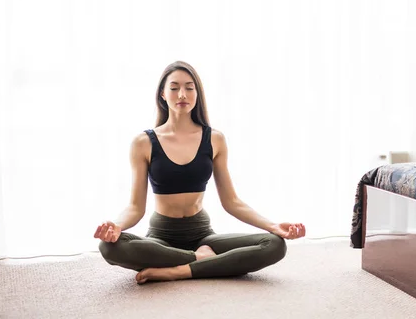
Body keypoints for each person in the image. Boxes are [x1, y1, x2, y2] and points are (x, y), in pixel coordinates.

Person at [94, 61, 306, 284]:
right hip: (161, 238)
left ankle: (178, 270)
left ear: (197, 93)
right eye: (174, 88)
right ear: (163, 95)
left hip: (203, 236)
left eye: (189, 87)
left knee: (275, 245)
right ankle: (200, 260)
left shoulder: (215, 139)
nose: (182, 94)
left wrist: (273, 226)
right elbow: (136, 207)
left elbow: (232, 202)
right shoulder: (143, 142)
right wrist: (117, 226)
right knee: (108, 247)